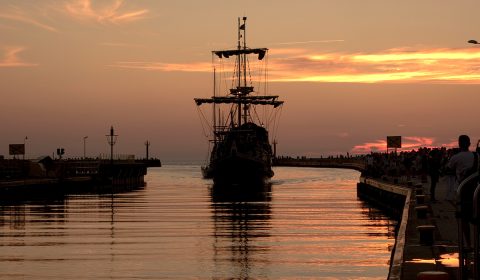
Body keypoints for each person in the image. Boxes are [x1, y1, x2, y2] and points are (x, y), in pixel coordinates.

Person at [447, 135, 477, 248]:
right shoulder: (476, 155)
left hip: (463, 190)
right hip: (476, 190)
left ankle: (468, 244)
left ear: (459, 144)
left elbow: (448, 168)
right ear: (469, 144)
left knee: (464, 219)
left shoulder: (456, 157)